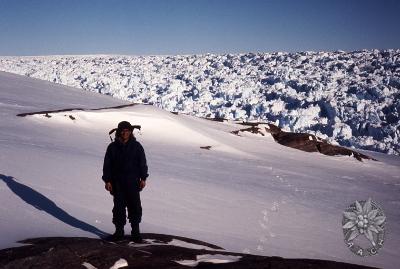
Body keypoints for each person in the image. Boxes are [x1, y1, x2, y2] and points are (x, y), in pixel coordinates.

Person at [102, 121, 149, 242]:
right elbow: (107, 165)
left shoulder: (137, 146)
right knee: (118, 208)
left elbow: (142, 163)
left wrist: (143, 178)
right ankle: (119, 232)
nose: (125, 133)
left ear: (131, 132)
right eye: (122, 130)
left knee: (135, 207)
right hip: (117, 183)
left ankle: (136, 233)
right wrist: (107, 180)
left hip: (133, 183)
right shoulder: (112, 147)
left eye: (127, 130)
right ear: (119, 131)